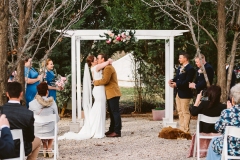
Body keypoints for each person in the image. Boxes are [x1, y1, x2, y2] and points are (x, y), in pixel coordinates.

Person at [58, 55, 112, 140]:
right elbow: (107, 63)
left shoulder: (94, 68)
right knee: (99, 108)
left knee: (99, 108)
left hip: (99, 89)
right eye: (95, 60)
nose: (97, 61)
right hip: (99, 90)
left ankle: (96, 128)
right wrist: (109, 60)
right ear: (92, 62)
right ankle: (96, 129)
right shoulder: (96, 67)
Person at [0, 82, 41, 159]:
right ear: (21, 94)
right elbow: (30, 138)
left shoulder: (1, 111)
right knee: (38, 140)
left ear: (7, 94)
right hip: (21, 150)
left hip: (2, 149)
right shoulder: (28, 113)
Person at [188, 85, 226, 157]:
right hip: (217, 132)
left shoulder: (204, 104)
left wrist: (197, 99)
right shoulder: (223, 107)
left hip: (203, 131)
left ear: (208, 94)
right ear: (219, 95)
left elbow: (193, 112)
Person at [206, 83, 240, 160]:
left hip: (231, 149)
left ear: (233, 99)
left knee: (214, 142)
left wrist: (228, 110)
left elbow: (218, 128)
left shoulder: (228, 113)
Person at [94, 53, 122, 137]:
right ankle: (111, 129)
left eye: (98, 58)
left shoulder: (108, 68)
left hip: (113, 93)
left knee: (115, 112)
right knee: (112, 112)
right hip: (110, 93)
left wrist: (95, 82)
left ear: (103, 59)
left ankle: (117, 131)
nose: (98, 60)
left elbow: (105, 80)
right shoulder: (106, 67)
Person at [29, 82, 60, 158]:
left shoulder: (31, 103)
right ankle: (49, 147)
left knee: (40, 125)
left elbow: (29, 119)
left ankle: (45, 146)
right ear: (47, 92)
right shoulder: (52, 103)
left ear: (38, 92)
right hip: (50, 131)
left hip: (37, 131)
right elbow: (57, 118)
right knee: (52, 125)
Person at [168, 52, 195, 133]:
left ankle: (186, 130)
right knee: (179, 111)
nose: (179, 59)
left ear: (185, 59)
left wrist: (177, 84)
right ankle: (181, 128)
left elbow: (187, 81)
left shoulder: (190, 69)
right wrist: (172, 80)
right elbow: (178, 78)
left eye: (180, 58)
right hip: (179, 92)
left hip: (185, 93)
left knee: (185, 111)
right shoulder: (180, 67)